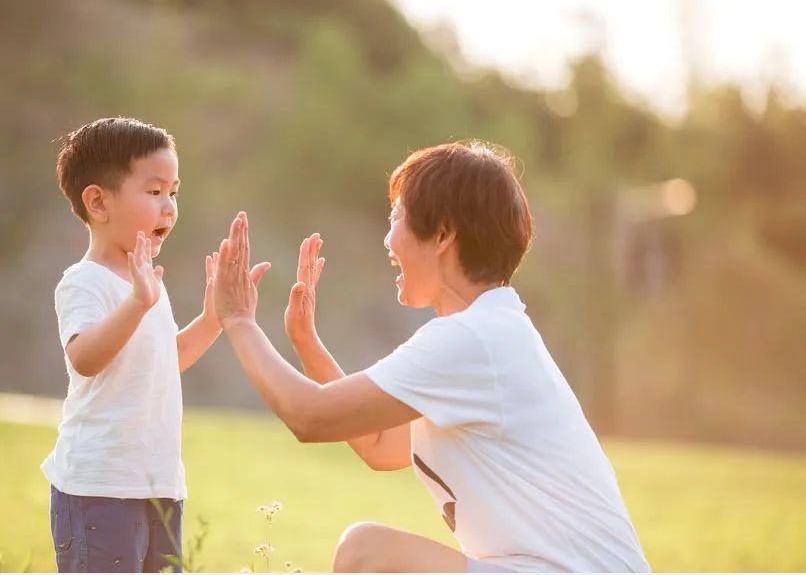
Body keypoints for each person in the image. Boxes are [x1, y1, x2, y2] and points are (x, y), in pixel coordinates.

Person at [213, 141, 650, 572]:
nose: (388, 239)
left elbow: (309, 418)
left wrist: (238, 320)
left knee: (365, 552)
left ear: (441, 234)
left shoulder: (471, 340)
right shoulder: (490, 332)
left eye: (396, 218)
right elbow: (380, 446)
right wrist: (308, 345)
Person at [42, 117, 222, 573]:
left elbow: (167, 360)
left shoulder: (144, 285)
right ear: (99, 202)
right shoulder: (85, 281)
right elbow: (84, 358)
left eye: (174, 192)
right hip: (99, 490)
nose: (169, 206)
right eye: (155, 191)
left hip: (158, 484)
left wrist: (215, 317)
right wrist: (139, 303)